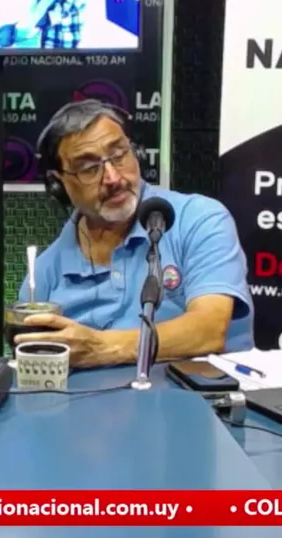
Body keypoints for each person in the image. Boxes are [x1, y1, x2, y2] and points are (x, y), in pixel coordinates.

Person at [15, 100, 254, 368]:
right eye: (89, 168)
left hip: (196, 392)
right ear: (59, 184)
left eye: (119, 155)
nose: (113, 178)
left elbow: (208, 330)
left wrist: (102, 348)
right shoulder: (46, 272)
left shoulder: (199, 219)